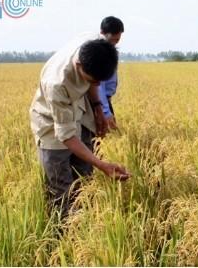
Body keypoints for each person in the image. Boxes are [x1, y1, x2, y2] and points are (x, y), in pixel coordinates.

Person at [30, 37, 131, 219]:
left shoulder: (95, 48)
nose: (97, 85)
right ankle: (63, 233)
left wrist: (97, 107)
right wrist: (102, 165)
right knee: (61, 188)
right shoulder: (56, 83)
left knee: (84, 175)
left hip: (80, 109)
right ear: (78, 65)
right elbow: (66, 136)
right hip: (52, 123)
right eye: (93, 80)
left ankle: (84, 222)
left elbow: (94, 82)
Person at [97, 16, 124, 132]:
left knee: (108, 131)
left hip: (105, 100)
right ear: (102, 33)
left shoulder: (110, 51)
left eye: (117, 40)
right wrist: (106, 112)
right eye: (111, 40)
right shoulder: (97, 53)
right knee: (102, 130)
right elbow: (98, 85)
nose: (113, 44)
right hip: (99, 101)